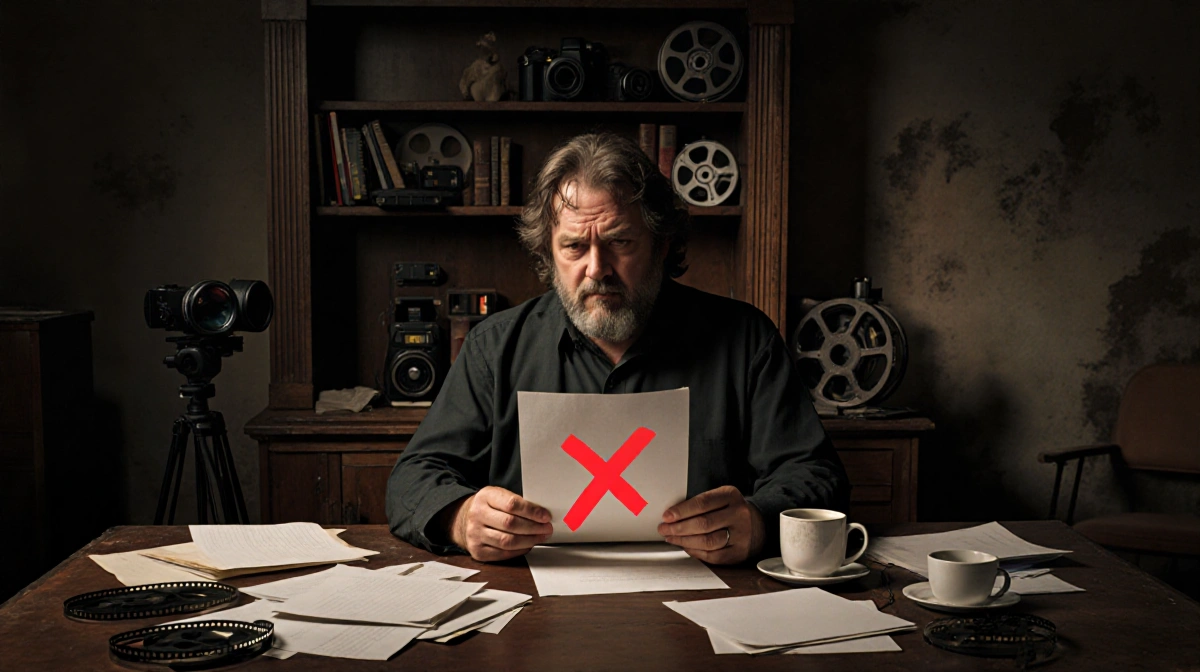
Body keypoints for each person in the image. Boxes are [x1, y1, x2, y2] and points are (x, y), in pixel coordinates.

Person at [386, 132, 848, 564]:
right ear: (548, 253)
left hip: (710, 601)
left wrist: (760, 522)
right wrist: (461, 518)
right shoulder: (494, 348)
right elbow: (413, 478)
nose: (597, 269)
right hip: (531, 603)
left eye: (619, 242)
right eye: (573, 247)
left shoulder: (746, 340)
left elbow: (815, 474)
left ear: (661, 244)